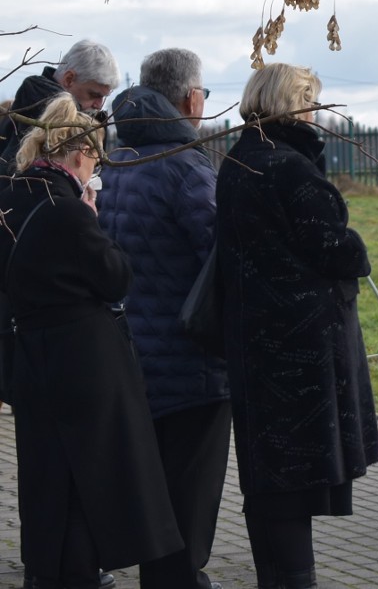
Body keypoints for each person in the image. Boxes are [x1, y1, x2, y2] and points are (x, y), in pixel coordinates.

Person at [0, 93, 184, 588]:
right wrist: (94, 219)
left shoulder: (10, 195)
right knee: (87, 477)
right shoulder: (69, 210)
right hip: (81, 364)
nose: (95, 167)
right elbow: (115, 277)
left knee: (46, 476)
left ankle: (44, 572)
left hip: (30, 358)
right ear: (78, 153)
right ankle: (75, 575)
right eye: (95, 157)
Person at [216, 63, 378, 589]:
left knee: (268, 477)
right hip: (300, 347)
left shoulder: (239, 161)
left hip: (254, 337)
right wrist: (356, 247)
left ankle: (277, 577)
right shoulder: (287, 167)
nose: (315, 114)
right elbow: (334, 248)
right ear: (294, 105)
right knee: (294, 478)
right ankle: (294, 580)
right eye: (310, 103)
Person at [97, 49, 229, 589]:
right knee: (189, 495)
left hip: (135, 354)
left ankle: (164, 575)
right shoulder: (187, 166)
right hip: (190, 360)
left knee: (153, 491)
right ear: (190, 98)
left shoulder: (119, 160)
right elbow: (218, 257)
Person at [0, 39, 119, 178]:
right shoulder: (35, 113)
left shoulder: (26, 106)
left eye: (103, 97)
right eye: (94, 95)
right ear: (69, 79)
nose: (99, 105)